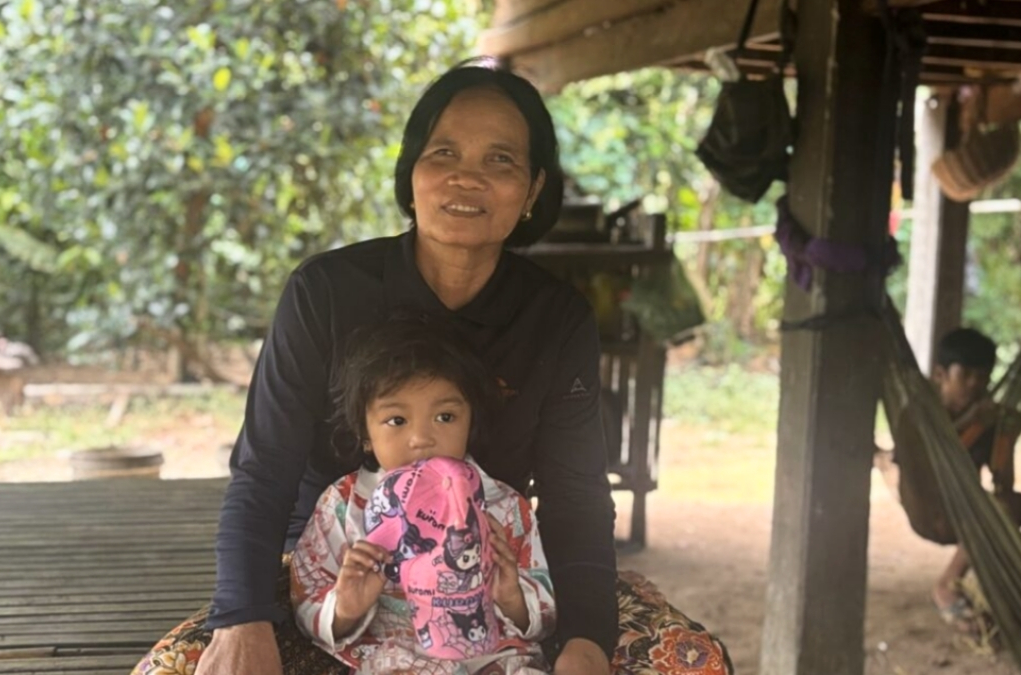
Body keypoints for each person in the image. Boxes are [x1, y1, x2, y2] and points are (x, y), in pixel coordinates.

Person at [133, 57, 731, 675]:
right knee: (176, 670)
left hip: (498, 589)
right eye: (443, 153)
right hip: (331, 580)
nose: (466, 179)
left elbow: (576, 497)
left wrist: (585, 640)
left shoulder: (554, 318)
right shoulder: (326, 293)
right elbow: (262, 474)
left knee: (691, 662)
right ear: (411, 174)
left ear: (532, 191)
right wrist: (242, 618)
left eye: (500, 160)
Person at [290, 314, 555, 674]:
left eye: (445, 417)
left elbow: (546, 612)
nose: (422, 439)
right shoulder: (342, 506)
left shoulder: (505, 507)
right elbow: (307, 599)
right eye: (397, 421)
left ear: (470, 421)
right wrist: (345, 608)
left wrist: (512, 597)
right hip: (392, 661)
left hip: (492, 659)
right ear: (365, 433)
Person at [879, 327, 1021, 632]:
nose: (975, 384)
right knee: (996, 507)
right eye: (966, 375)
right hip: (929, 511)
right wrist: (972, 422)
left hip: (967, 514)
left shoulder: (990, 417)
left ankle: (1004, 589)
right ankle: (947, 586)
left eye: (983, 377)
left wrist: (1005, 435)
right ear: (941, 374)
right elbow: (929, 461)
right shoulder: (917, 413)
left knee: (1007, 505)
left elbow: (1003, 486)